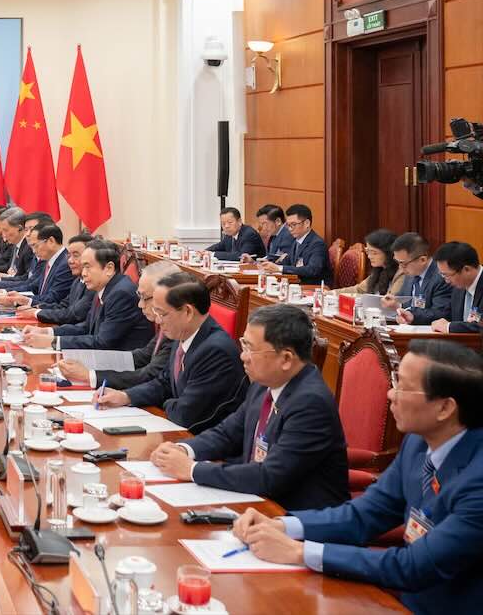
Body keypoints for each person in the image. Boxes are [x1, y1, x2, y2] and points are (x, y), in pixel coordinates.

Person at [232, 340, 483, 614]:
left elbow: (415, 566)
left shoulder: (477, 479)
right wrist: (282, 525)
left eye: (402, 386)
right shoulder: (417, 443)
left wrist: (299, 552)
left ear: (445, 408)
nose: (390, 394)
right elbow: (364, 514)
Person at [150, 304, 348, 510]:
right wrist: (183, 449)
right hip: (255, 501)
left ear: (286, 358)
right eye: (243, 345)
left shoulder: (311, 404)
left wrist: (192, 470)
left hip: (294, 515)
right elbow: (227, 433)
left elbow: (270, 476)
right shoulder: (263, 385)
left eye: (251, 349)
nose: (243, 356)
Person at [95, 274, 247, 433]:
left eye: (162, 314)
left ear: (187, 312)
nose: (158, 321)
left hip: (200, 439)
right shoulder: (184, 333)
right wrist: (125, 396)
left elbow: (184, 414)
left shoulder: (215, 352)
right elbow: (164, 383)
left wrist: (166, 402)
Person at [44, 260, 179, 390]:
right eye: (140, 296)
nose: (140, 304)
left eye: (145, 298)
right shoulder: (165, 325)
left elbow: (149, 374)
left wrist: (89, 375)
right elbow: (141, 356)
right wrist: (82, 360)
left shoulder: (175, 329)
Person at [35, 240, 155, 352]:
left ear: (109, 268)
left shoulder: (121, 294)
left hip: (120, 362)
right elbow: (87, 327)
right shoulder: (104, 287)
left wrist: (53, 342)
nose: (83, 273)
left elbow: (102, 342)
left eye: (88, 267)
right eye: (83, 267)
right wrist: (48, 332)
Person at [15, 233, 95, 324]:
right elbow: (63, 306)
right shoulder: (78, 281)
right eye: (69, 256)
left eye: (76, 255)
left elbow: (73, 314)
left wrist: (36, 313)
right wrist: (34, 306)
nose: (70, 261)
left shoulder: (93, 286)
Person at [0, 223, 71, 308]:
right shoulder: (49, 259)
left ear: (51, 241)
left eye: (35, 245)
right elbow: (34, 286)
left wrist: (24, 301)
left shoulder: (65, 264)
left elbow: (53, 298)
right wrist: (7, 293)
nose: (34, 251)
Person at [388, 232, 453, 325]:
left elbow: (440, 313)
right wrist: (394, 304)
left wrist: (412, 316)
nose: (400, 268)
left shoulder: (442, 276)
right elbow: (404, 302)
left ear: (422, 260)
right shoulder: (410, 273)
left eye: (403, 263)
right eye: (397, 262)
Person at [257, 203, 330, 285]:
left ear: (307, 223)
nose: (290, 229)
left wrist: (279, 268)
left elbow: (312, 270)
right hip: (298, 285)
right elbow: (288, 261)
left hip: (314, 287)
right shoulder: (297, 241)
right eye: (288, 225)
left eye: (293, 224)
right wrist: (269, 266)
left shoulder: (317, 244)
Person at [0, 212, 52, 292]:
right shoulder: (35, 252)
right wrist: (1, 279)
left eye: (32, 229)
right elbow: (28, 279)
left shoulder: (34, 252)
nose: (27, 234)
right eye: (26, 230)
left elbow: (32, 285)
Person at [428, 241, 483, 334]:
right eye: (442, 275)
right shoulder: (458, 288)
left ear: (467, 269)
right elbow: (445, 313)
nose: (446, 281)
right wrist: (414, 316)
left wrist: (449, 327)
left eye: (447, 275)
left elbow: (480, 326)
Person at [337, 228, 403, 296]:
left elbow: (391, 299)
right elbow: (358, 290)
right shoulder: (379, 270)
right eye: (368, 251)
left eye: (374, 253)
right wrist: (331, 293)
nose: (369, 256)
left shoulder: (401, 273)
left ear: (389, 253)